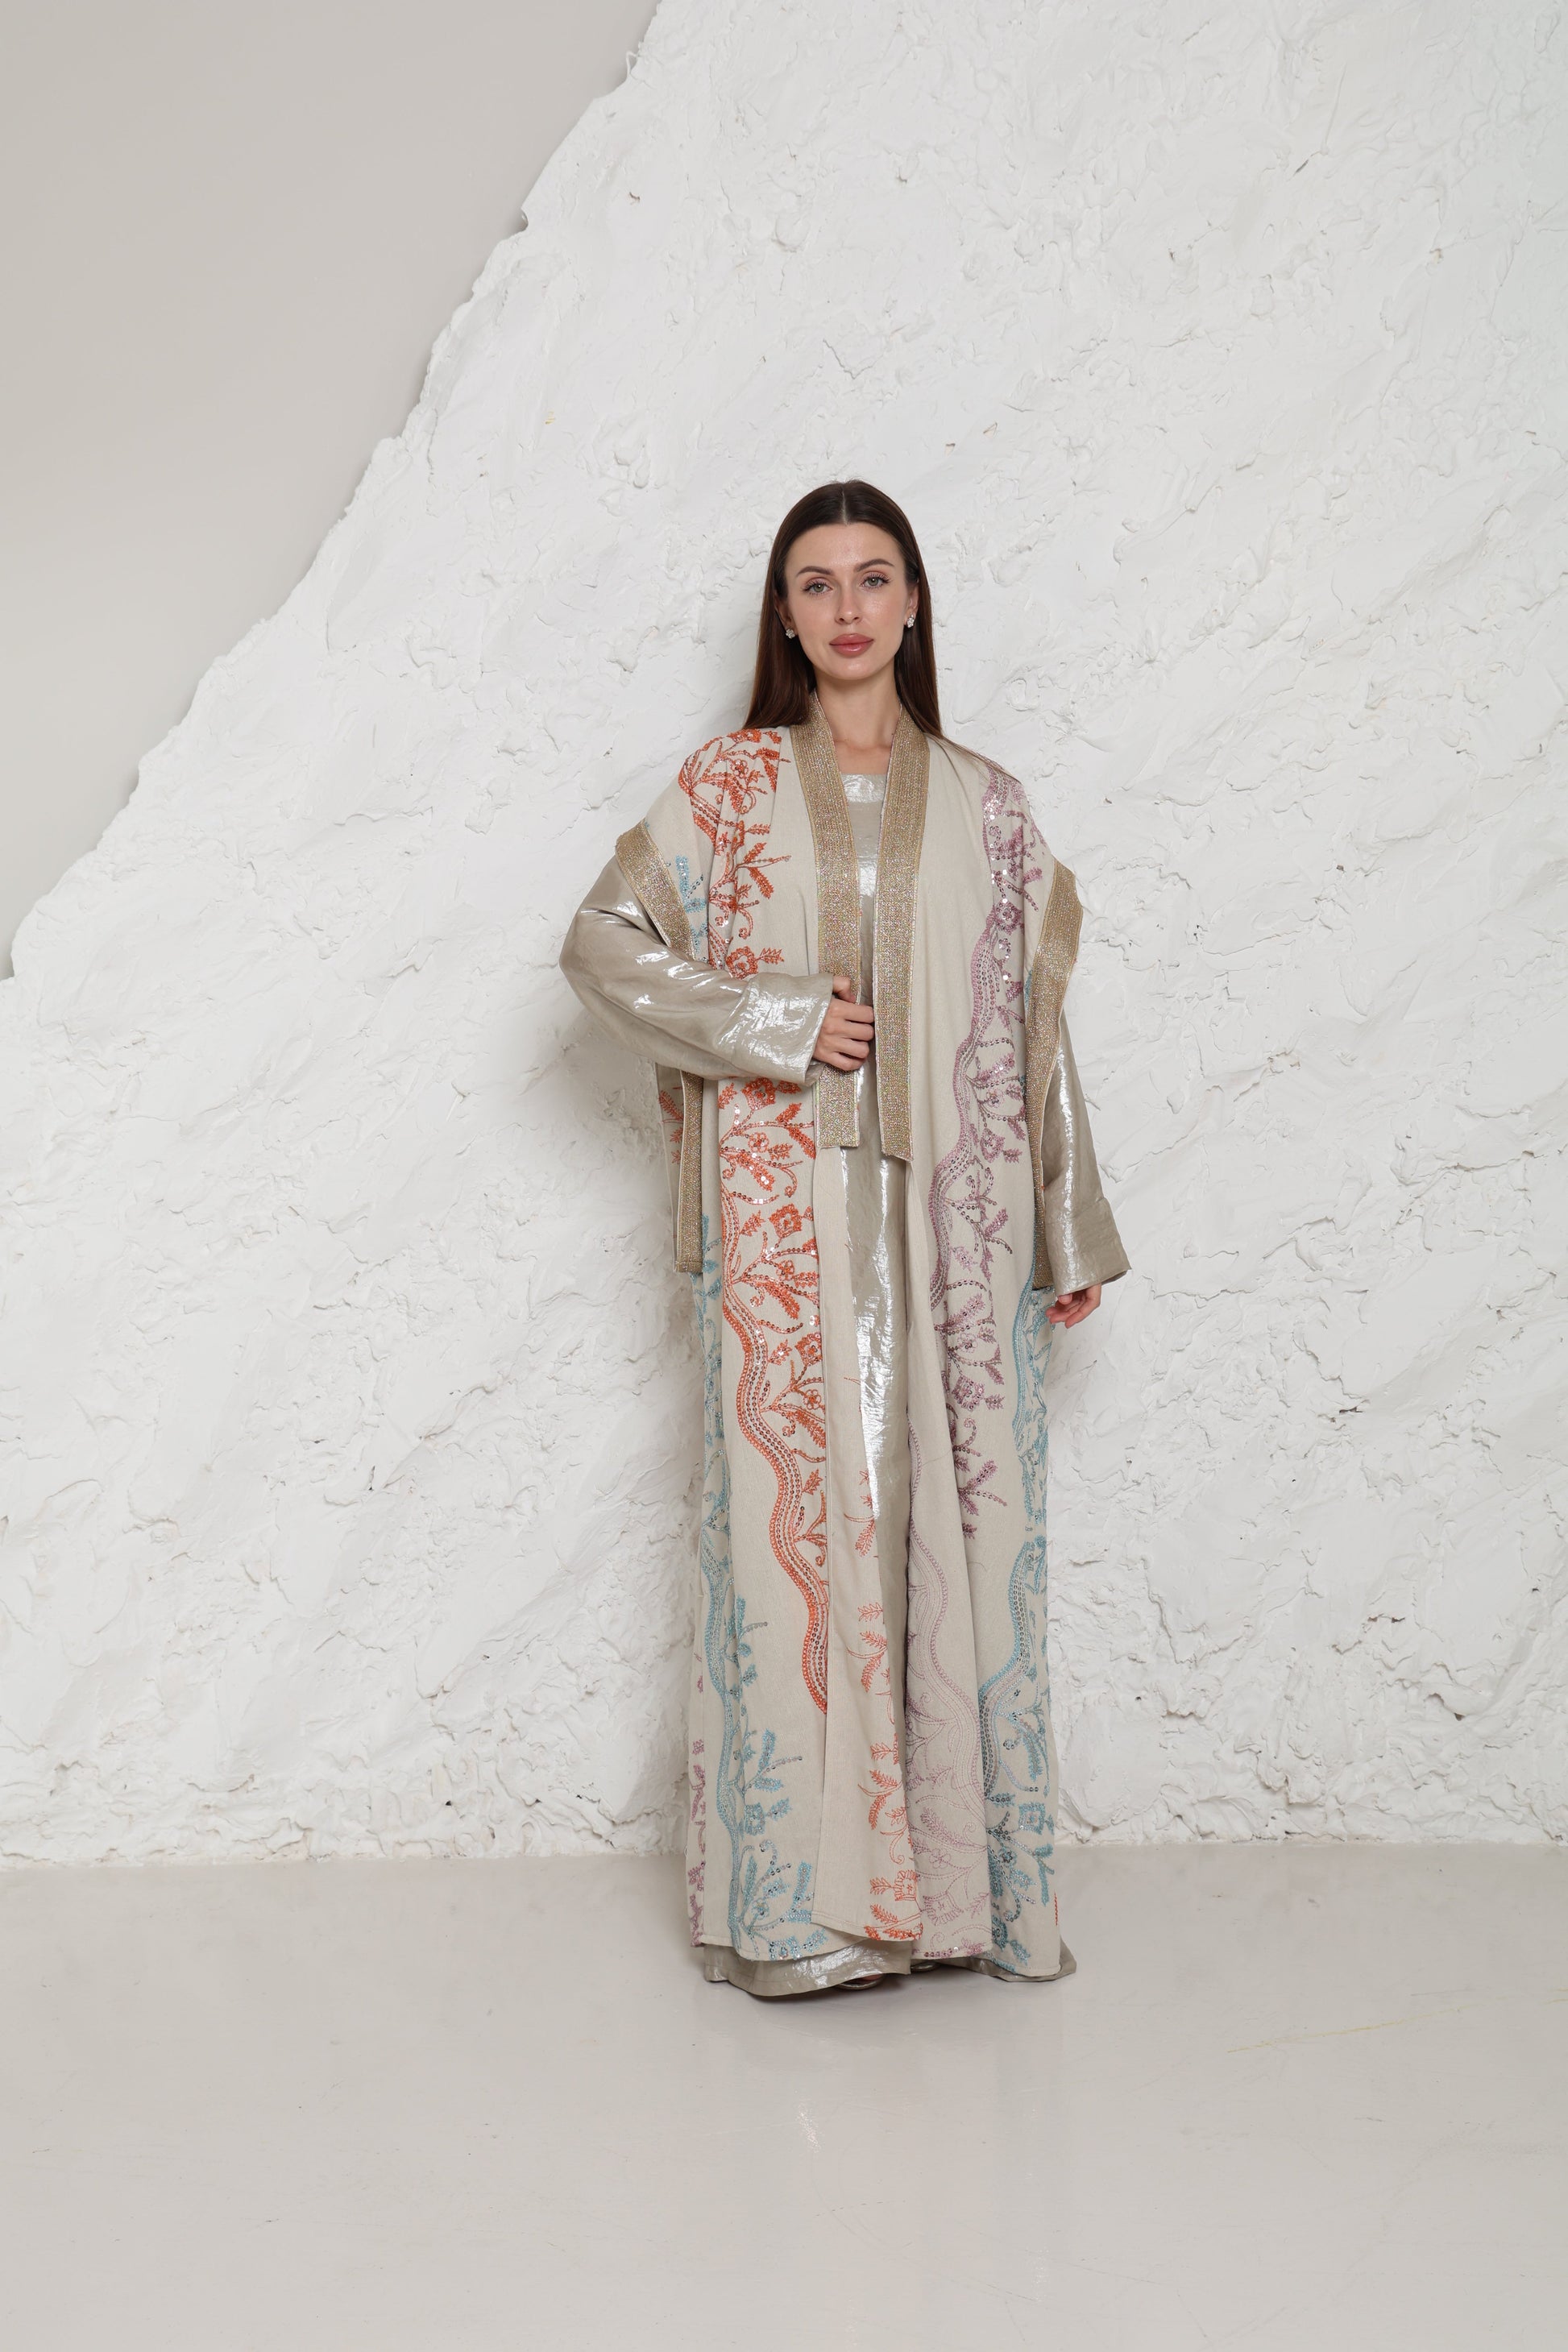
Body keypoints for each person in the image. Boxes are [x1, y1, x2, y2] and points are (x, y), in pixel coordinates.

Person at [560, 479, 1128, 1997]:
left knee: (966, 1538)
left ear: (915, 601)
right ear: (785, 614)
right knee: (788, 1553)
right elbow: (600, 946)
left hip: (959, 1230)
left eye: (874, 578)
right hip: (785, 1223)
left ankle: (956, 1903)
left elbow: (1031, 1022)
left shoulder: (987, 803)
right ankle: (804, 1918)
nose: (849, 608)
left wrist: (1064, 1223)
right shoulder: (728, 785)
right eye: (816, 584)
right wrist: (776, 1021)